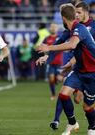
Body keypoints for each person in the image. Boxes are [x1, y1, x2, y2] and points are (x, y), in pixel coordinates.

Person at [37, 3, 95, 135]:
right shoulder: (70, 30)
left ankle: (92, 127)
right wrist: (47, 56)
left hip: (92, 73)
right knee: (63, 94)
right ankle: (72, 122)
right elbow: (59, 43)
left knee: (87, 107)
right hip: (79, 71)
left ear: (63, 18)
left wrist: (48, 48)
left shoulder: (79, 28)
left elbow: (72, 44)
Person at [43, 23, 63, 100]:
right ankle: (53, 94)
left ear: (57, 29)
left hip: (58, 62)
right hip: (50, 62)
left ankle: (58, 83)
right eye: (51, 27)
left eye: (55, 27)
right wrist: (45, 56)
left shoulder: (60, 38)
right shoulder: (47, 38)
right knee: (51, 78)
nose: (53, 28)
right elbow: (44, 48)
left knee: (59, 79)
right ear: (49, 28)